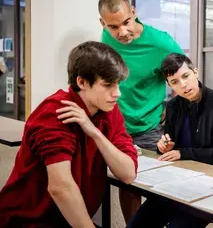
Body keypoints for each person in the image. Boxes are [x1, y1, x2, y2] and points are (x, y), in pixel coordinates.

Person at [0, 41, 138, 228]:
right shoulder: (54, 113)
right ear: (81, 82)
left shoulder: (109, 110)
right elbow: (60, 187)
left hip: (68, 220)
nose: (117, 93)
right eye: (108, 85)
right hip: (28, 221)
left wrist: (94, 133)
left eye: (118, 85)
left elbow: (128, 174)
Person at [98, 0, 184, 221]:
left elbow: (182, 73)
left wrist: (172, 107)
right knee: (127, 183)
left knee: (158, 185)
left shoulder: (160, 42)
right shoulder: (106, 38)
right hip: (116, 126)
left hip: (150, 125)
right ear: (103, 24)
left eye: (126, 22)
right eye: (113, 27)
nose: (122, 32)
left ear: (134, 12)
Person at [127, 53, 213, 228]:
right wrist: (164, 147)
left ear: (195, 72)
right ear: (169, 85)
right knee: (137, 224)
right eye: (175, 82)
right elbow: (172, 146)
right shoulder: (172, 106)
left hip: (208, 184)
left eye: (186, 76)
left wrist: (182, 152)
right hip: (177, 182)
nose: (183, 85)